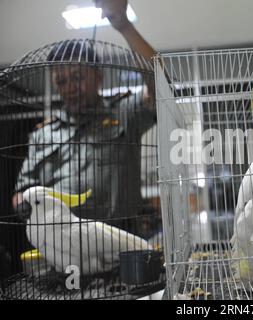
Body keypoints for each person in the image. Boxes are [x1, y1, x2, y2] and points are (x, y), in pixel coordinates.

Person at [12, 0, 158, 237]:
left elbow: (161, 84)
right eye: (61, 81)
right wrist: (29, 211)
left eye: (78, 77)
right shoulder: (42, 135)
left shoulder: (125, 113)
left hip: (123, 241)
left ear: (99, 76)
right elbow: (22, 190)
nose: (70, 87)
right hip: (62, 245)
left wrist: (124, 26)